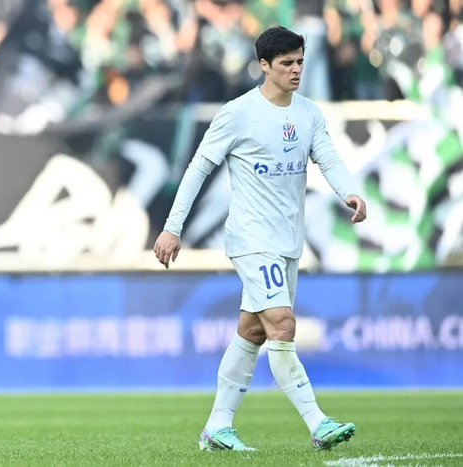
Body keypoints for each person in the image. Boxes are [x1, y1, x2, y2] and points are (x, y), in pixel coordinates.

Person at [154, 26, 367, 451]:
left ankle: (217, 427)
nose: (296, 69)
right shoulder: (238, 113)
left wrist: (349, 191)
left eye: (300, 61)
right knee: (282, 324)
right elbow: (198, 168)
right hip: (252, 238)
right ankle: (318, 423)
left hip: (289, 239)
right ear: (264, 65)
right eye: (287, 63)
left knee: (252, 331)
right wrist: (173, 227)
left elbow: (327, 156)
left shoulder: (308, 112)